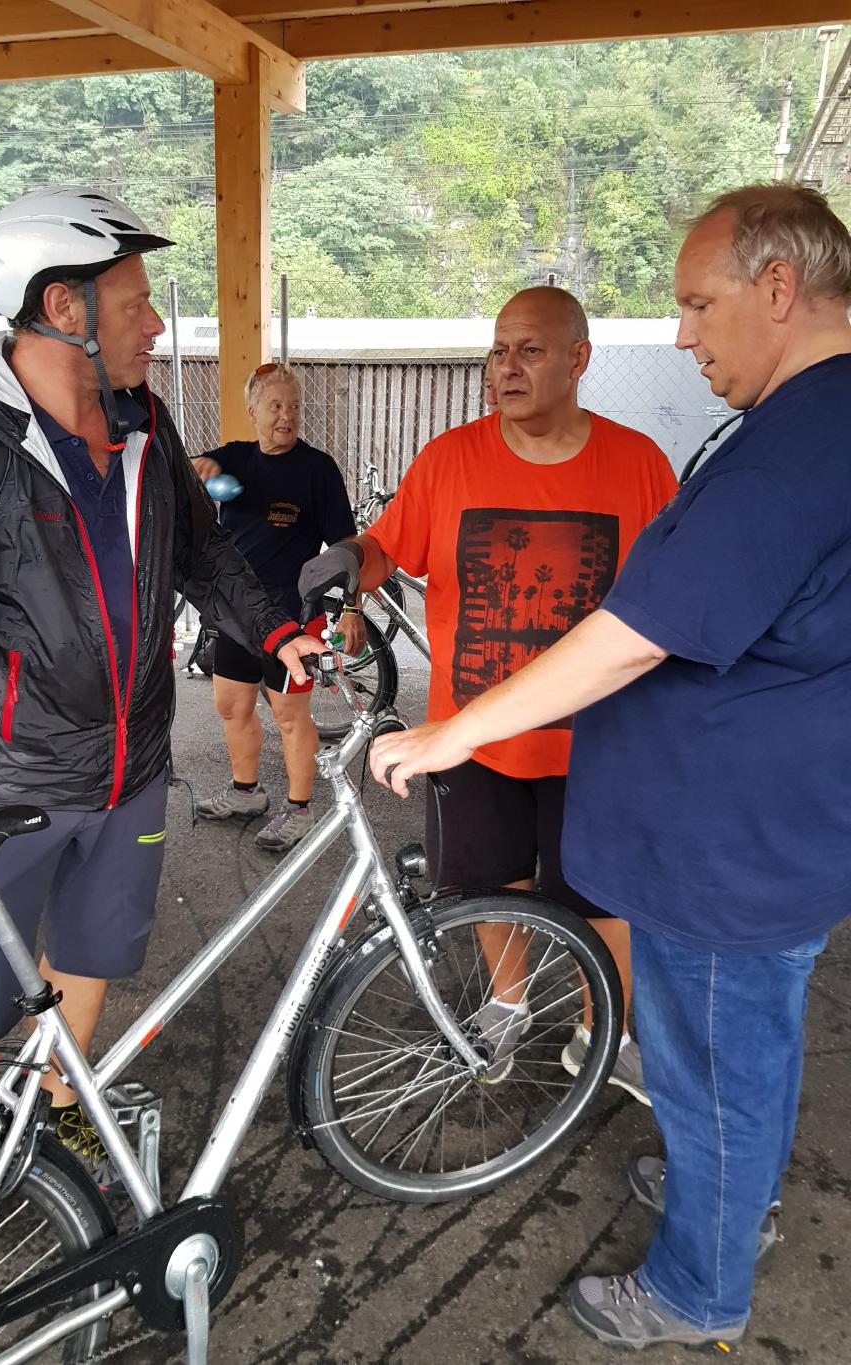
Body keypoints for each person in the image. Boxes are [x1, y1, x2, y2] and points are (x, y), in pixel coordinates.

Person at [362, 184, 851, 1351]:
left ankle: (695, 1289)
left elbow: (637, 630)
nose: (682, 336)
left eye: (697, 305)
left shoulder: (797, 449)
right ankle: (729, 1197)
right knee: (737, 1059)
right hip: (761, 830)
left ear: (777, 286)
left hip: (732, 855)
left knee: (719, 1062)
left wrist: (451, 731)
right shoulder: (806, 424)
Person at [0, 186, 322, 1176]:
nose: (155, 323)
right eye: (135, 303)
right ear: (63, 307)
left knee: (90, 958)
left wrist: (275, 633)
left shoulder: (143, 423)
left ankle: (57, 1107)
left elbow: (202, 551)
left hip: (132, 773)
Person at [300, 286, 677, 1099]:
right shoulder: (450, 459)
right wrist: (350, 563)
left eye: (530, 351)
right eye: (499, 350)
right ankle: (507, 1006)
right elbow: (387, 547)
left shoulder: (639, 463)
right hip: (473, 733)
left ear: (578, 359)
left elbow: (669, 597)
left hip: (600, 741)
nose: (506, 367)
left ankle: (604, 1029)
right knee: (487, 884)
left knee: (603, 899)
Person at [189, 362, 363, 852]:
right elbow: (195, 465)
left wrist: (351, 608)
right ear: (253, 411)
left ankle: (300, 808)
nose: (286, 416)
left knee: (290, 716)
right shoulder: (236, 458)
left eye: (294, 407)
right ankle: (246, 792)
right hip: (235, 611)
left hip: (292, 614)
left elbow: (347, 545)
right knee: (232, 705)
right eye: (275, 406)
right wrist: (201, 467)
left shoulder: (317, 470)